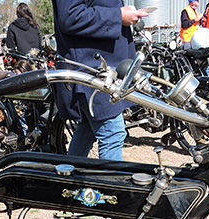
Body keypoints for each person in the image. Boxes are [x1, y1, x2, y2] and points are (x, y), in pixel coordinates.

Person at [51, 1, 148, 161]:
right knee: (112, 134)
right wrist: (118, 16)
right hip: (92, 69)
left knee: (86, 130)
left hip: (100, 68)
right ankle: (110, 186)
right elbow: (70, 16)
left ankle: (69, 181)